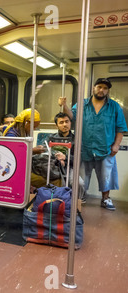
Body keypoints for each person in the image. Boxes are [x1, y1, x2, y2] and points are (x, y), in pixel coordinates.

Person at [59, 78, 128, 210]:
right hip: (84, 148)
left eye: (105, 88)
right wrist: (64, 105)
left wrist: (117, 145)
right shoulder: (82, 104)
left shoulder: (114, 106)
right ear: (93, 88)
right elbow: (71, 117)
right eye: (99, 87)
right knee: (83, 177)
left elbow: (120, 128)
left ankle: (106, 199)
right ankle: (81, 197)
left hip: (105, 148)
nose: (102, 90)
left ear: (108, 91)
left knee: (106, 176)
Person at [49, 112, 85, 197]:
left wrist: (65, 157)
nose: (65, 124)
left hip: (69, 167)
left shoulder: (76, 139)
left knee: (79, 183)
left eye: (67, 121)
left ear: (70, 123)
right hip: (53, 166)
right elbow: (45, 151)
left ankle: (77, 202)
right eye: (61, 122)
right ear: (56, 125)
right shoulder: (51, 138)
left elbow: (79, 159)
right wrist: (58, 158)